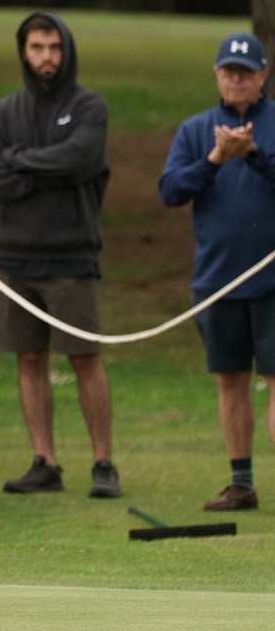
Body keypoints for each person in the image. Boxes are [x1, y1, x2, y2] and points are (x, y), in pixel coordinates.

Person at [0, 12, 120, 498]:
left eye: (54, 47)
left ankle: (103, 464)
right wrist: (43, 172)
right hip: (12, 257)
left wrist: (18, 161)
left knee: (84, 357)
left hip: (71, 255)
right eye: (37, 47)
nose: (47, 57)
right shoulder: (3, 113)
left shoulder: (89, 106)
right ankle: (45, 463)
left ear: (67, 50)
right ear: (24, 51)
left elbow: (78, 158)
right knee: (30, 357)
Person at [160, 32, 275, 512]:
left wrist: (253, 156)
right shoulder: (196, 129)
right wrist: (215, 159)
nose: (236, 79)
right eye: (229, 71)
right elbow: (171, 191)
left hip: (272, 280)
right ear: (217, 76)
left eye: (245, 72)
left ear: (263, 76)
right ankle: (241, 484)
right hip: (218, 279)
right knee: (230, 379)